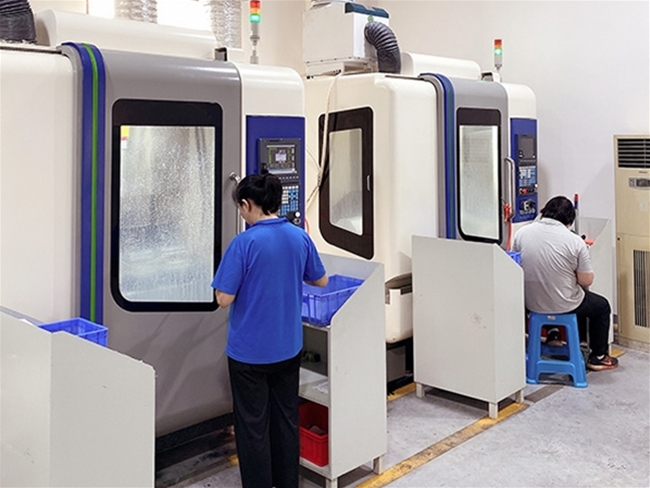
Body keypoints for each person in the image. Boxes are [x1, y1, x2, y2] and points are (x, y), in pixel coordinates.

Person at [211, 173, 328, 488]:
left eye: (240, 207)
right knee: (286, 419)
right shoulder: (299, 237)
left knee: (253, 426)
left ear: (247, 205)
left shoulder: (244, 243)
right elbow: (320, 280)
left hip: (249, 354)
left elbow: (223, 299)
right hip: (288, 348)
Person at [513, 195, 618, 371]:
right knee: (600, 306)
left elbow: (515, 264)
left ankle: (553, 335)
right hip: (563, 304)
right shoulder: (575, 241)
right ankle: (598, 357)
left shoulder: (522, 233)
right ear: (570, 220)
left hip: (530, 303)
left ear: (544, 211)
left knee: (548, 289)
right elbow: (586, 280)